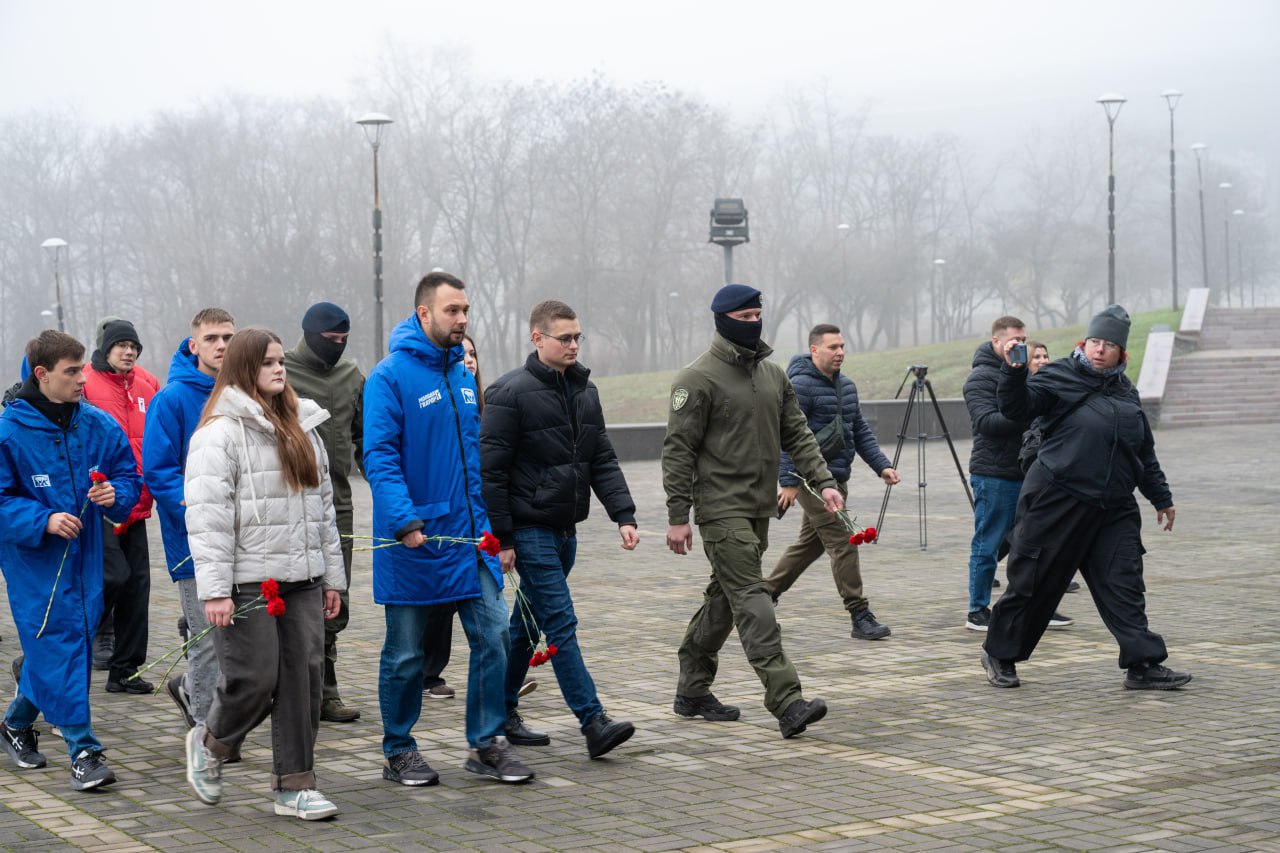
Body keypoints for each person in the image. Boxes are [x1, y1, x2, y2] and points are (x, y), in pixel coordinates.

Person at [365, 271, 534, 786]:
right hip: (415, 538)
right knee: (407, 654)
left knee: (493, 636)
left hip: (469, 540)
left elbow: (472, 461)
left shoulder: (463, 372)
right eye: (452, 311)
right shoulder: (389, 377)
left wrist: (497, 533)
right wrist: (403, 519)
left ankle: (485, 742)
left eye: (465, 310)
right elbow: (379, 454)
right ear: (424, 314)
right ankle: (399, 748)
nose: (462, 319)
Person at [663, 283, 841, 739]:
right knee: (752, 600)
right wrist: (678, 515)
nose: (754, 323)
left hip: (759, 508)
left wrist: (824, 482)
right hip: (720, 510)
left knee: (724, 599)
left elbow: (798, 434)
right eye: (744, 318)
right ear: (723, 320)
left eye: (757, 315)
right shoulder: (697, 378)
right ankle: (787, 701)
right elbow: (678, 450)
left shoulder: (773, 375)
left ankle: (692, 690)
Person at [981, 304, 1190, 691]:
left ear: (1121, 353)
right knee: (1034, 580)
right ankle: (1000, 653)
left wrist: (1161, 497)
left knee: (1124, 581)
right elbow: (1017, 407)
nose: (1099, 350)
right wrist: (1012, 373)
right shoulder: (1059, 375)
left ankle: (1142, 663)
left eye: (1108, 345)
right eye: (1094, 342)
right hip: (1057, 498)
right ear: (1084, 343)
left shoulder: (1127, 393)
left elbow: (1142, 450)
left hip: (1113, 505)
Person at [183, 328, 346, 820]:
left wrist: (331, 578)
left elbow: (323, 510)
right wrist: (214, 590)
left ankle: (295, 786)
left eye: (281, 361)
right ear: (242, 369)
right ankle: (210, 742)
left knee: (304, 679)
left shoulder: (304, 424)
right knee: (254, 678)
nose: (279, 369)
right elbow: (208, 517)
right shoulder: (219, 434)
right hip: (247, 581)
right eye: (267, 362)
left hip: (303, 579)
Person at [481, 300, 638, 759]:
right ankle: (593, 721)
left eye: (577, 338)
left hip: (566, 530)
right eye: (563, 338)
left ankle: (503, 712)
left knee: (525, 626)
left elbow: (602, 457)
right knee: (560, 622)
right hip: (528, 530)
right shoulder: (509, 393)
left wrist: (623, 515)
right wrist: (504, 538)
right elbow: (491, 472)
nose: (572, 345)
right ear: (537, 338)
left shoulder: (585, 391)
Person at [0, 330, 140, 791]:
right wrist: (41, 519)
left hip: (86, 555)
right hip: (33, 561)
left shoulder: (96, 423)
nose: (83, 378)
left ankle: (15, 723)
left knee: (69, 641)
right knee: (60, 642)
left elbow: (128, 474)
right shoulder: (9, 431)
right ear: (42, 375)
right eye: (72, 371)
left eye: (83, 368)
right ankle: (84, 750)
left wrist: (115, 493)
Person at [765, 323, 900, 639]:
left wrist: (881, 466)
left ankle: (763, 595)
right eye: (832, 347)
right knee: (845, 540)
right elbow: (788, 436)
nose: (840, 352)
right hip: (809, 480)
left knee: (809, 545)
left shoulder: (847, 386)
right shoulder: (798, 386)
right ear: (814, 350)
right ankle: (859, 614)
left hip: (836, 478)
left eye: (842, 346)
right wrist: (788, 480)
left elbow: (859, 430)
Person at [143, 308, 236, 730]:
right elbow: (159, 472)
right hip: (193, 542)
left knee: (236, 640)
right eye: (213, 338)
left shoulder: (246, 392)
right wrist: (199, 511)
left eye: (229, 337)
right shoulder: (172, 399)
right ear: (194, 345)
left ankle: (197, 695)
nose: (221, 346)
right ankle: (206, 729)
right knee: (206, 642)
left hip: (243, 539)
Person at [963, 317, 1073, 632]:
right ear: (997, 342)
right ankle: (977, 609)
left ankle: (1038, 605)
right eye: (1014, 342)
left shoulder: (1026, 374)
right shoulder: (980, 379)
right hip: (994, 472)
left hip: (1031, 470)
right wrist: (1026, 412)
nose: (1020, 347)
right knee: (988, 542)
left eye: (1024, 340)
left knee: (1036, 542)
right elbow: (986, 422)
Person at [284, 302, 365, 724]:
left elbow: (366, 440)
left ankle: (324, 691)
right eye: (329, 341)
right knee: (294, 599)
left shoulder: (352, 377)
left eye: (343, 341)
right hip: (290, 504)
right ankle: (292, 689)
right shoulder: (281, 371)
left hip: (340, 504)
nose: (337, 347)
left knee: (335, 601)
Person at [82, 318, 160, 693]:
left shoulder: (147, 383)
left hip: (137, 501)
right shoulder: (84, 381)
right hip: (99, 503)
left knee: (137, 588)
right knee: (113, 577)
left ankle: (124, 671)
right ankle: (74, 640)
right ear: (106, 348)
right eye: (121, 345)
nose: (129, 352)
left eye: (134, 346)